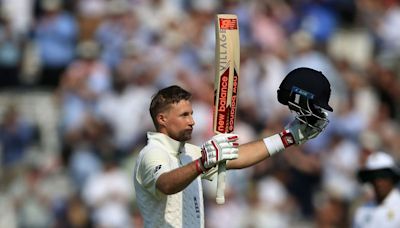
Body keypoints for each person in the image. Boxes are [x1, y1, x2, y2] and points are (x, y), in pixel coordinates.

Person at [133, 67, 333, 227]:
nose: (192, 121)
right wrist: (201, 164)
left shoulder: (188, 153)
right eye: (184, 115)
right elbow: (165, 184)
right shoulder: (153, 153)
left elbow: (237, 157)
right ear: (162, 119)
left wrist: (287, 138)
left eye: (192, 113)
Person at [353, 151, 400, 228]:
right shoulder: (362, 211)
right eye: (373, 177)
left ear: (392, 177)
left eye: (383, 175)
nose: (378, 182)